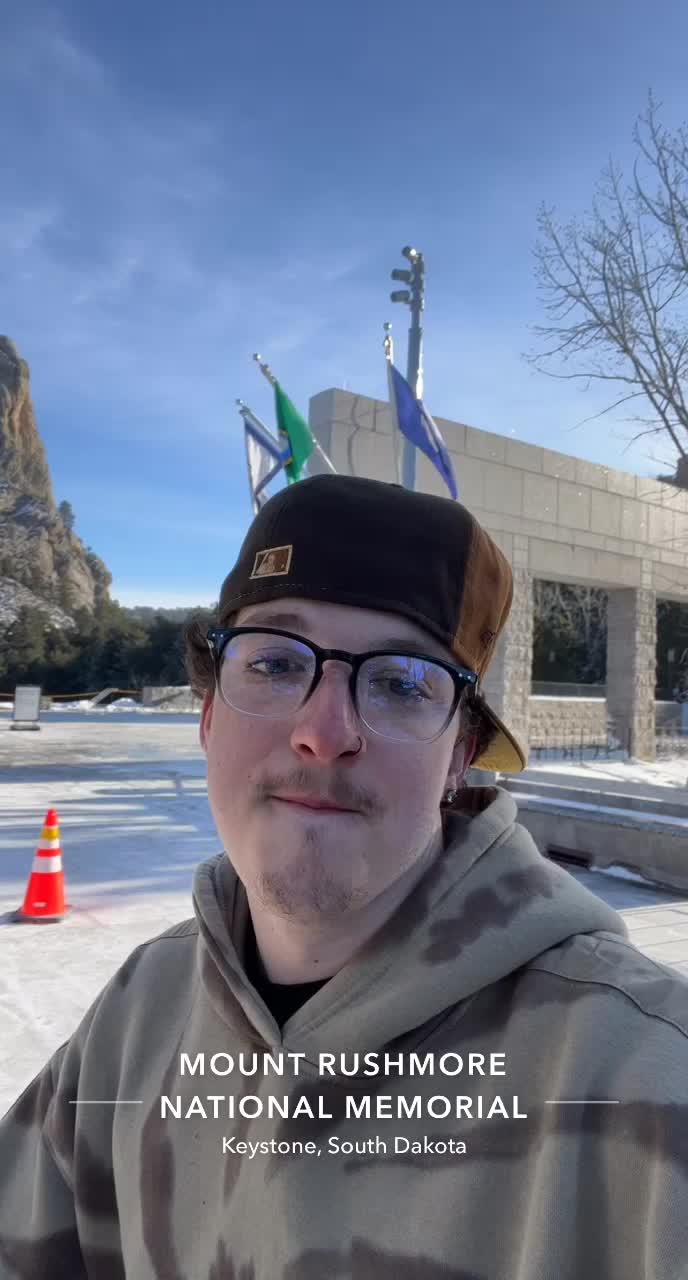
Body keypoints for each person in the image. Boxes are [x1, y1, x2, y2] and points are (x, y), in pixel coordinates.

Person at [1, 473, 687, 1280]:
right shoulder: (139, 1011)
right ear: (209, 714)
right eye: (277, 664)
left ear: (458, 757)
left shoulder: (643, 1078)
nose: (323, 733)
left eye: (400, 681)